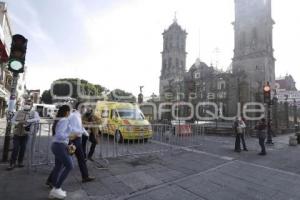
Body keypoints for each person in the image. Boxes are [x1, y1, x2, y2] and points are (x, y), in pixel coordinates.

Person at [48, 105, 74, 199]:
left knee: (58, 167)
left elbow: (58, 135)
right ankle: (57, 188)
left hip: (57, 145)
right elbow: (60, 135)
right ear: (67, 112)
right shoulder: (64, 120)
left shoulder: (60, 119)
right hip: (59, 145)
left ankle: (54, 190)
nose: (70, 113)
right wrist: (69, 136)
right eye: (70, 111)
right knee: (70, 166)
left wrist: (67, 142)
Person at [7, 99, 40, 170]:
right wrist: (18, 123)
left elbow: (37, 119)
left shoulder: (34, 113)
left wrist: (27, 121)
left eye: (29, 104)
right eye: (26, 103)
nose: (27, 105)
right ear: (24, 104)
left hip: (26, 134)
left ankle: (20, 162)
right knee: (15, 148)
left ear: (31, 105)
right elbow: (12, 120)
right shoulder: (18, 112)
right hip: (17, 133)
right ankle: (12, 163)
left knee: (23, 148)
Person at [68, 102, 95, 182]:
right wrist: (82, 132)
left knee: (81, 159)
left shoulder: (78, 116)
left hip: (76, 140)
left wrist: (86, 134)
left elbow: (80, 127)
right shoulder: (74, 116)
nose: (86, 109)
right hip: (74, 141)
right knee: (65, 160)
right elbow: (73, 129)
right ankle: (51, 180)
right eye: (85, 108)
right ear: (81, 108)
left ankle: (85, 176)